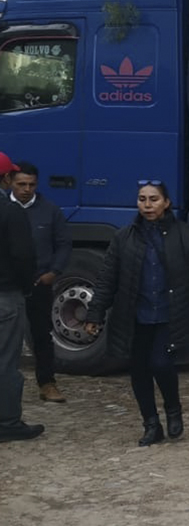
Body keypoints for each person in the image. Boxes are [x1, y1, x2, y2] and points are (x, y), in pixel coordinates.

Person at [85, 181, 189, 446]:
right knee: (139, 370)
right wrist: (94, 313)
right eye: (142, 199)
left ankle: (173, 410)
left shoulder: (185, 235)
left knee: (161, 363)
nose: (147, 205)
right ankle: (150, 424)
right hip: (135, 315)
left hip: (171, 314)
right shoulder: (124, 238)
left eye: (153, 199)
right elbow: (106, 279)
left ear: (166, 203)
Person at [11, 162, 71, 403]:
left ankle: (47, 383)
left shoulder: (50, 210)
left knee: (41, 335)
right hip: (8, 285)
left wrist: (54, 271)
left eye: (31, 185)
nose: (26, 189)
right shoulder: (4, 208)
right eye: (21, 184)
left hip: (39, 283)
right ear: (10, 182)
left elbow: (64, 244)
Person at [0, 159, 41, 442]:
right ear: (6, 179)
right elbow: (23, 256)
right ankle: (8, 422)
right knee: (5, 361)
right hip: (5, 295)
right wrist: (26, 287)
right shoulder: (10, 212)